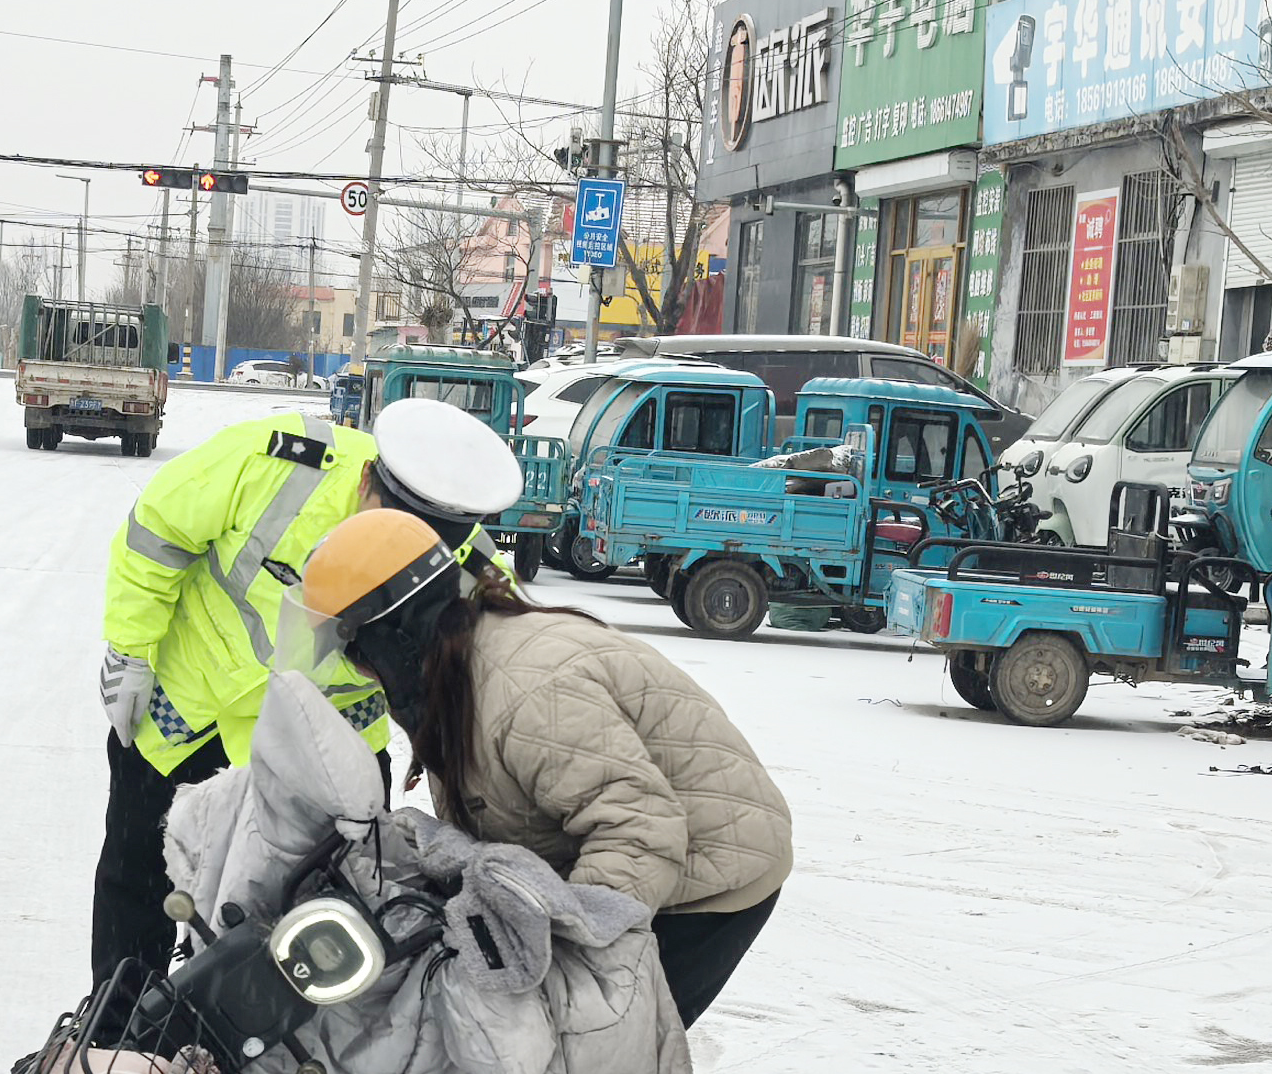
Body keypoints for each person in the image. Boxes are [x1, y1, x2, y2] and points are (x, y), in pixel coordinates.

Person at [290, 506, 793, 1030]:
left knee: (590, 1058)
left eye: (354, 652)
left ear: (393, 639)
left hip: (709, 874)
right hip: (644, 845)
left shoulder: (524, 695)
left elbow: (636, 829)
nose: (358, 670)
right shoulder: (455, 668)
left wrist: (570, 954)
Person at [93, 399, 520, 987]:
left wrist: (440, 738)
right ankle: (119, 1036)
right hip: (192, 708)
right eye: (385, 522)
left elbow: (488, 671)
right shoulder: (277, 463)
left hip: (328, 741)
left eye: (417, 548)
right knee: (140, 872)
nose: (392, 554)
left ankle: (234, 1053)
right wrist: (130, 649)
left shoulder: (471, 572)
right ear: (368, 475)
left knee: (311, 906)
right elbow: (156, 536)